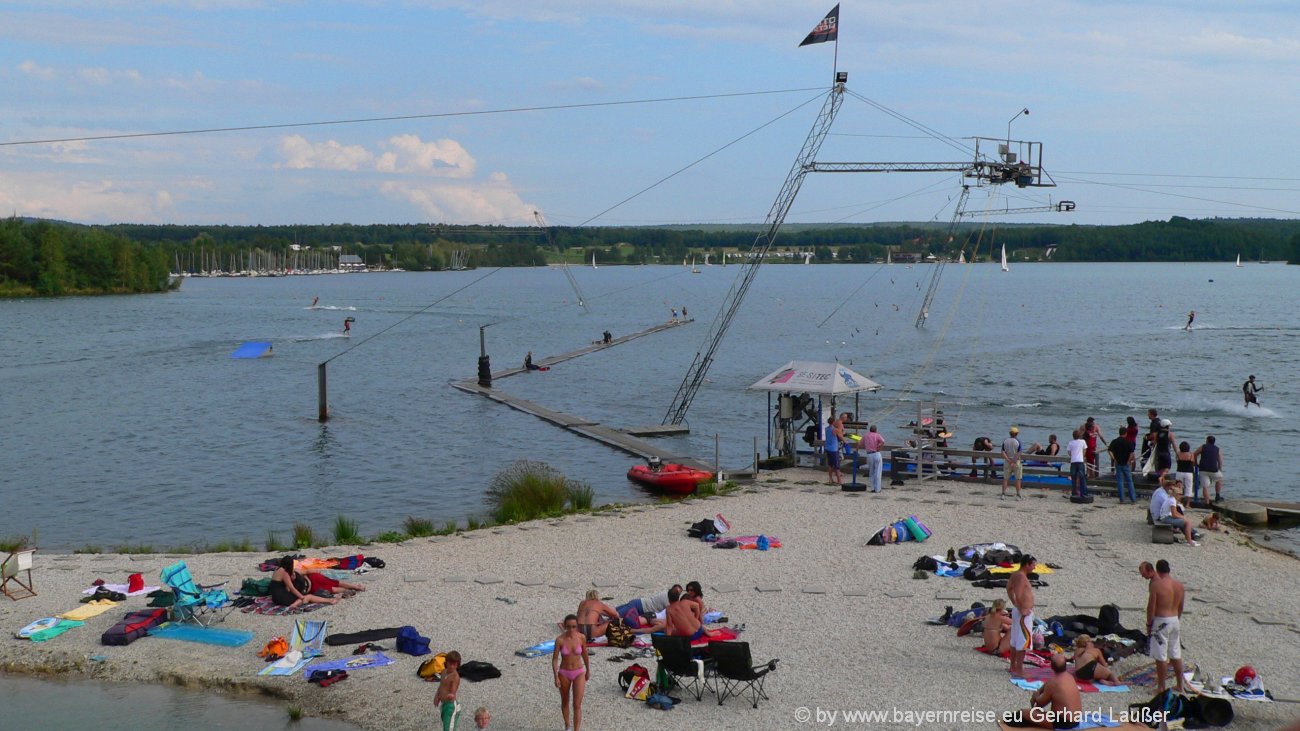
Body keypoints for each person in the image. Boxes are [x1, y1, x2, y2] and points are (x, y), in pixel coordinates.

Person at [1005, 653, 1082, 729]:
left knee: (1019, 715)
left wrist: (1036, 695)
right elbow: (1049, 683)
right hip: (1076, 719)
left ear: (1051, 666)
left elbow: (1040, 703)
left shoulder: (1053, 684)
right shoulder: (1070, 677)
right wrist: (1039, 690)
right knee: (1033, 715)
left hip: (1063, 722)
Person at [1147, 560, 1189, 694]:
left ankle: (1161, 687)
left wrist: (1149, 624)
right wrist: (1177, 619)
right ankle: (1180, 685)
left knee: (1161, 656)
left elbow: (1151, 607)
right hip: (1175, 619)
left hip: (1161, 622)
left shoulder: (1156, 585)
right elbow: (1181, 606)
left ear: (1158, 570)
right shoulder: (1179, 585)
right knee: (1175, 654)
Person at [552, 615, 589, 731]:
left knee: (577, 704)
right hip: (564, 672)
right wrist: (555, 676)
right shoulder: (560, 640)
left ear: (577, 626)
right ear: (564, 626)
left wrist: (588, 670)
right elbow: (555, 659)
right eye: (568, 627)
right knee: (565, 701)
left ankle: (576, 729)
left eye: (574, 627)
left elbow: (585, 655)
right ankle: (567, 725)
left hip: (579, 672)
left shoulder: (581, 637)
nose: (571, 629)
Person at [1007, 555, 1038, 678]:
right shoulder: (1020, 577)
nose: (1034, 567)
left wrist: (1014, 603)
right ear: (1027, 564)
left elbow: (1009, 589)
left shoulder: (1015, 574)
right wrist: (1021, 608)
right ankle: (1019, 669)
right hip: (1022, 614)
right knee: (1023, 641)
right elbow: (1018, 593)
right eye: (1033, 565)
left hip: (1019, 611)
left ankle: (1013, 666)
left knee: (1015, 640)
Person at [269, 556, 340, 609]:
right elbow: (292, 588)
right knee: (308, 597)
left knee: (302, 597)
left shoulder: (277, 569)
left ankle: (295, 603)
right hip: (281, 598)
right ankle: (329, 601)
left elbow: (283, 586)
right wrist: (302, 597)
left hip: (274, 598)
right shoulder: (284, 572)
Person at [1149, 477, 1198, 546]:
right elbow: (1174, 514)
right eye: (1180, 494)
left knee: (1183, 519)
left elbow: (1173, 512)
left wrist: (1182, 517)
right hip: (1161, 517)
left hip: (1161, 515)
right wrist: (1183, 518)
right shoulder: (1168, 498)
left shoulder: (1165, 495)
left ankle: (1191, 535)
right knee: (1187, 522)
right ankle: (1190, 539)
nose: (1181, 496)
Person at [1108, 426, 1137, 504]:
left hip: (1118, 463)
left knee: (1120, 481)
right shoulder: (1129, 442)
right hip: (1126, 463)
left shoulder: (1115, 441)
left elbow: (1110, 450)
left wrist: (1114, 459)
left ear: (1119, 433)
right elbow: (1131, 453)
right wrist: (1129, 461)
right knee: (1129, 481)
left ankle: (1122, 499)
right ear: (1126, 433)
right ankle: (1133, 499)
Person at [435, 650, 462, 731]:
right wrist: (437, 696)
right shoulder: (444, 672)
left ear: (457, 665)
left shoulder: (455, 677)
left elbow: (453, 690)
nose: (452, 667)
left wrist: (451, 694)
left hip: (451, 706)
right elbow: (441, 686)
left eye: (454, 665)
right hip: (444, 704)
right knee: (446, 726)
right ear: (446, 662)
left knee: (449, 728)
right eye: (450, 664)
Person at [1194, 435, 1225, 503]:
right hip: (1213, 469)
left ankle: (1207, 503)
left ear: (1207, 441)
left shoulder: (1203, 447)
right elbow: (1220, 461)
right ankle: (1217, 496)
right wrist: (1220, 469)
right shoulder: (1217, 449)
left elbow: (1194, 454)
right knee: (1219, 479)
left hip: (1203, 468)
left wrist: (1196, 464)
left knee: (1205, 486)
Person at [860, 424, 886, 493]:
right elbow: (883, 441)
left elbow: (861, 444)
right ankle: (878, 489)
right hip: (876, 453)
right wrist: (879, 447)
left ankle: (872, 488)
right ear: (876, 430)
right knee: (878, 471)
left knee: (871, 471)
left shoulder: (866, 435)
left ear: (870, 430)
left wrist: (866, 446)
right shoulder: (877, 435)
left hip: (869, 454)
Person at [1002, 427, 1024, 499]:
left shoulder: (1005, 441)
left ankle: (1003, 494)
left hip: (1007, 462)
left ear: (1010, 433)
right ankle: (1018, 495)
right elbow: (1019, 453)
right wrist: (1013, 461)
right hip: (1016, 462)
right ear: (1017, 434)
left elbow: (1003, 452)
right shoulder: (1018, 441)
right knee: (1018, 479)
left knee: (1005, 478)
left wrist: (1009, 461)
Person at [1066, 430, 1089, 498]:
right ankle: (1083, 493)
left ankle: (1074, 492)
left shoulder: (1070, 443)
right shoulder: (1083, 441)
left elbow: (1069, 452)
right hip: (1080, 461)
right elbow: (1084, 450)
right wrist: (1082, 456)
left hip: (1073, 461)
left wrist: (1073, 456)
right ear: (1079, 436)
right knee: (1082, 478)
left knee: (1073, 478)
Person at [824, 414, 842, 486]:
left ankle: (830, 478)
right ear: (833, 422)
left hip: (827, 447)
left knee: (830, 464)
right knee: (837, 465)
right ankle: (839, 480)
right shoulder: (835, 429)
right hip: (833, 449)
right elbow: (840, 436)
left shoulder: (826, 429)